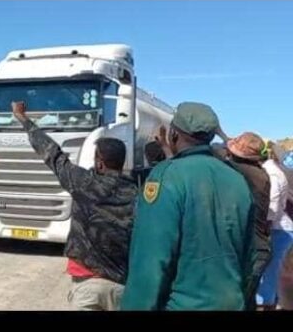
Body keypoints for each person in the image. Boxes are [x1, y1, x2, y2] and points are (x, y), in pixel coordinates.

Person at [121, 102, 255, 311]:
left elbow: (150, 260)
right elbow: (249, 258)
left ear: (173, 134)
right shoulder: (237, 180)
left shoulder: (166, 177)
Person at [10, 101, 137, 311]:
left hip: (86, 284)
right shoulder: (135, 193)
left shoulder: (83, 182)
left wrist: (23, 119)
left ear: (99, 162)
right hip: (123, 286)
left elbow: (52, 154)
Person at [213, 132, 272, 311]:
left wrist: (220, 134)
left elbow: (216, 151)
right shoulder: (256, 173)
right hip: (257, 249)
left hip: (255, 251)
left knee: (239, 302)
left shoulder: (253, 174)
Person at [257, 141, 292, 310]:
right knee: (276, 270)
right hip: (283, 225)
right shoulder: (279, 171)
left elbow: (274, 204)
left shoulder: (272, 173)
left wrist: (266, 226)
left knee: (271, 270)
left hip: (279, 227)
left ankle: (267, 302)